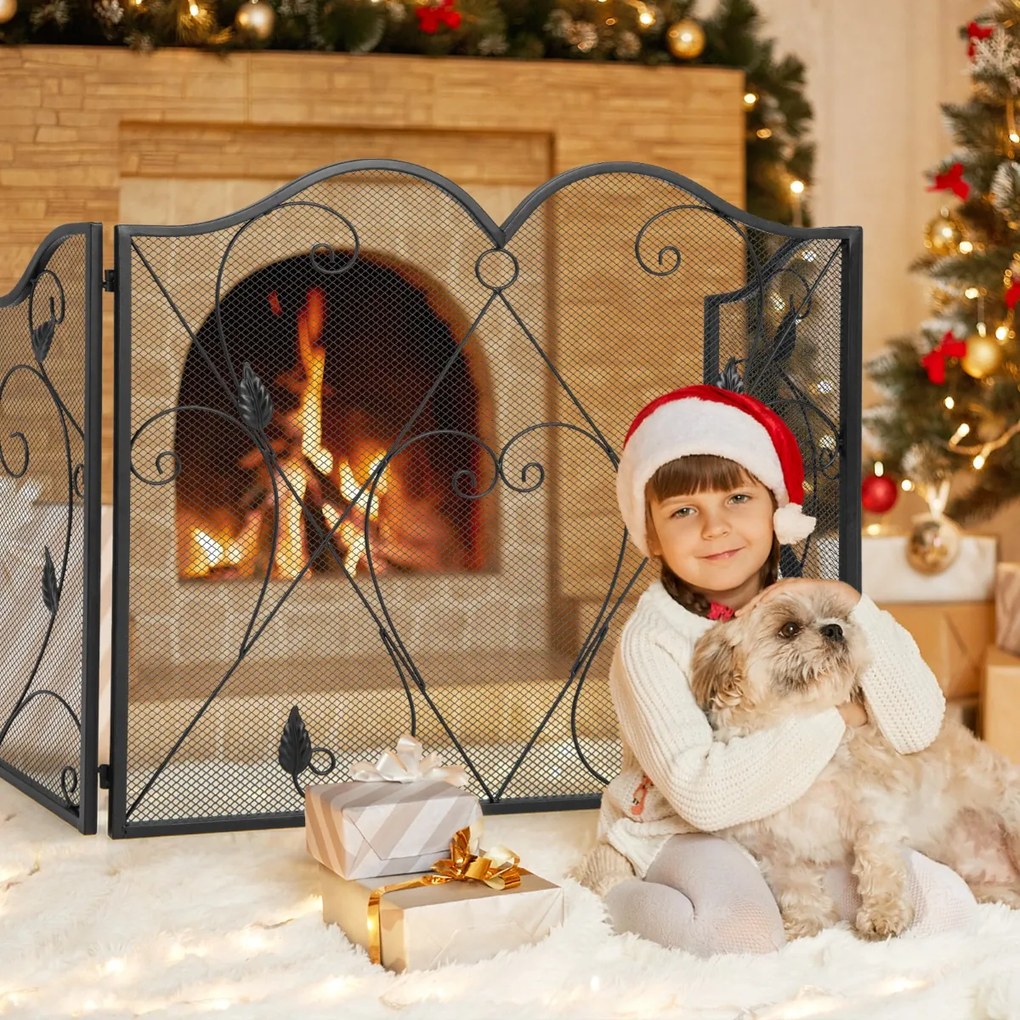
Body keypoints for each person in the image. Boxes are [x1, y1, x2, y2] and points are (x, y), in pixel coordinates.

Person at [575, 384, 977, 955]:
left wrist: (850, 601)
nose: (715, 528)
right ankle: (609, 890)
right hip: (689, 829)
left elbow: (915, 729)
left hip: (808, 826)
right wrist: (841, 714)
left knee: (943, 910)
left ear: (777, 512)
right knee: (741, 932)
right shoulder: (651, 641)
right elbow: (705, 799)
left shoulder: (817, 613)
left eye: (738, 499)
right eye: (684, 511)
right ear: (653, 536)